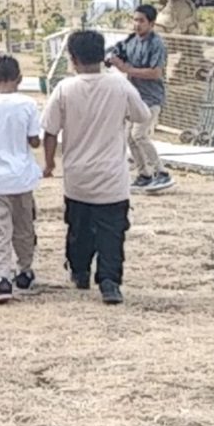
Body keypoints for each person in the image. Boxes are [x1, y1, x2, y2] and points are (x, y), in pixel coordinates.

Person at [42, 30, 150, 305]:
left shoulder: (65, 89)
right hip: (113, 179)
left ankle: (79, 272)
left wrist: (49, 163)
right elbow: (142, 115)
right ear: (102, 56)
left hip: (77, 178)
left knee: (78, 229)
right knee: (112, 232)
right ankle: (110, 282)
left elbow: (50, 131)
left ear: (73, 58)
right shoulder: (119, 86)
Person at [0, 55, 42, 303]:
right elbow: (35, 140)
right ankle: (25, 270)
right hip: (22, 177)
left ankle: (1, 278)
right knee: (24, 226)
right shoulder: (28, 104)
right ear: (19, 78)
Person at [107, 4, 173, 191]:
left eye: (141, 21)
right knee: (129, 136)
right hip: (134, 96)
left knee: (139, 134)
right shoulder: (131, 40)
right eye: (135, 20)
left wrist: (127, 69)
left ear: (151, 24)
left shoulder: (156, 44)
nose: (137, 25)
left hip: (151, 97)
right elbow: (118, 53)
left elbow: (155, 73)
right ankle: (144, 173)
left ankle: (162, 172)